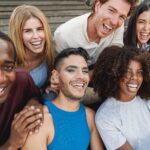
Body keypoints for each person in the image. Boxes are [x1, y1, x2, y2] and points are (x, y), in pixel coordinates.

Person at [22, 48, 104, 150]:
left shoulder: (90, 116)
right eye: (71, 70)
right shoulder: (40, 120)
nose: (81, 76)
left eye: (85, 71)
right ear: (56, 76)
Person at [93, 46, 150, 149]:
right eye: (127, 72)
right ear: (114, 74)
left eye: (139, 72)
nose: (134, 78)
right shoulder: (105, 116)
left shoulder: (146, 98)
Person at [54, 0, 136, 69]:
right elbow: (60, 72)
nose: (114, 22)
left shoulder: (118, 25)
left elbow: (113, 59)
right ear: (97, 6)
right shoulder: (64, 35)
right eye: (111, 10)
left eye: (122, 17)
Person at [0, 31, 43, 149]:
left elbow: (33, 95)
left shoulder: (21, 80)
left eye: (8, 67)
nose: (1, 78)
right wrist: (12, 143)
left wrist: (32, 106)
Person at [9, 5, 54, 90]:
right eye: (28, 31)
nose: (36, 36)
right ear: (17, 34)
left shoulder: (50, 53)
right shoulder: (7, 56)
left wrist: (49, 87)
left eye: (40, 29)